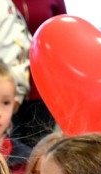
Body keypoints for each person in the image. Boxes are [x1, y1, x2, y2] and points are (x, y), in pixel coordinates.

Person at [8, 0, 66, 149]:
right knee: (8, 151)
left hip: (42, 88)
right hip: (6, 89)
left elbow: (62, 36)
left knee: (38, 150)